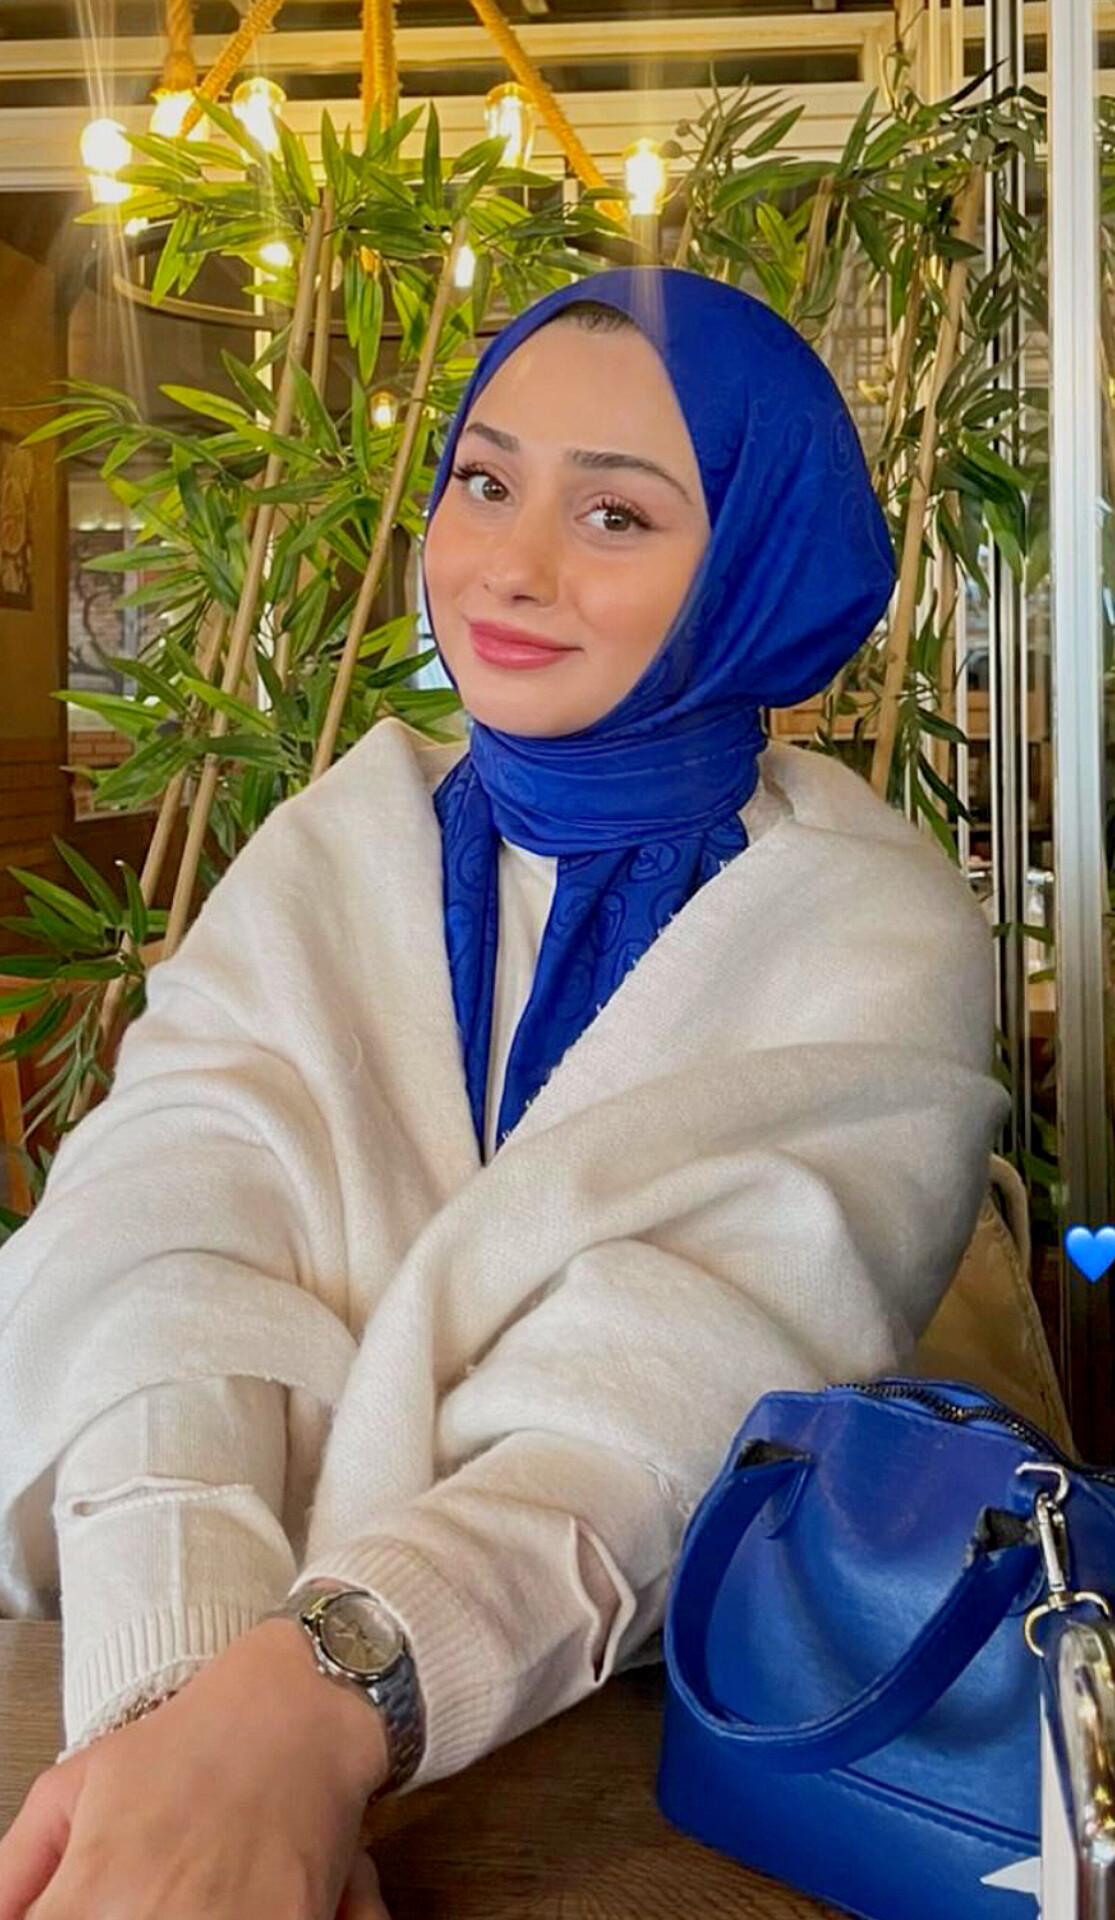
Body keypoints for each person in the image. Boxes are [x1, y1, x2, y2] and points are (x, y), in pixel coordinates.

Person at [0, 266, 1009, 1920]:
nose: (510, 566)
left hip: (606, 1752)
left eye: (615, 515)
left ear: (754, 563)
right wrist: (181, 1705)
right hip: (180, 1695)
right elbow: (156, 1257)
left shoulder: (867, 931)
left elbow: (679, 1403)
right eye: (483, 481)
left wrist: (321, 1704)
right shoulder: (331, 848)